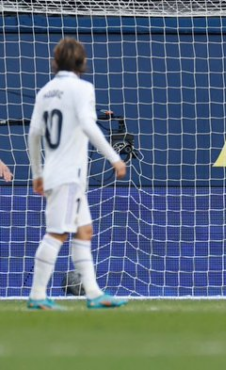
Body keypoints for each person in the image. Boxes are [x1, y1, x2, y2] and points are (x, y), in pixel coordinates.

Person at [27, 37, 129, 310]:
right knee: (57, 234)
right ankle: (37, 295)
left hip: (55, 173)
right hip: (69, 175)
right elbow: (88, 124)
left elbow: (34, 135)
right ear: (82, 63)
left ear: (55, 62)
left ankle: (94, 293)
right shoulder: (82, 89)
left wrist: (38, 173)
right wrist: (114, 158)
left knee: (84, 231)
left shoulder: (45, 91)